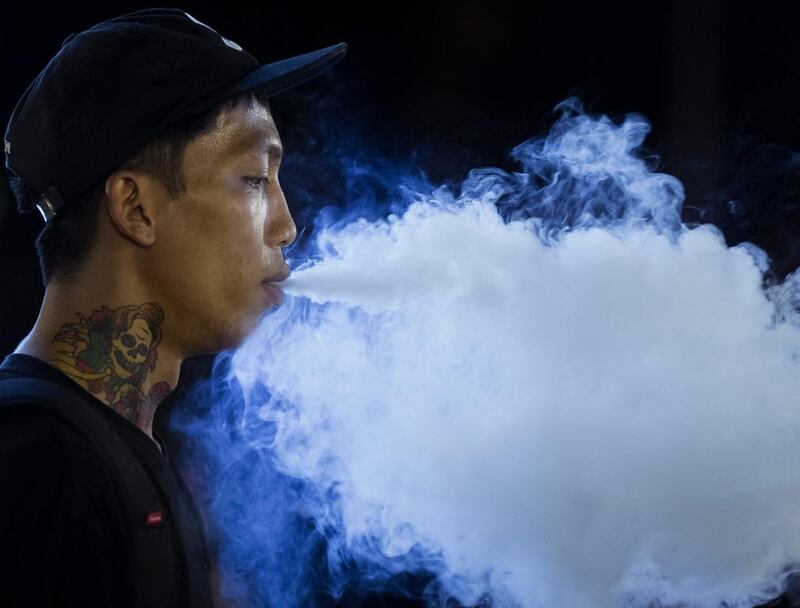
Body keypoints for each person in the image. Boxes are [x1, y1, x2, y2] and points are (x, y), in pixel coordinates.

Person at [0, 8, 346, 607]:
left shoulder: (116, 447)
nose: (287, 226)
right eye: (254, 179)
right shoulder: (37, 463)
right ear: (135, 208)